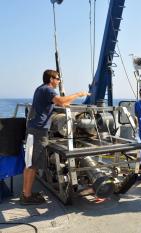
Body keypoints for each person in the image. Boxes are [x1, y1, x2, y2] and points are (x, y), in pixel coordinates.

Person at [20, 69, 90, 205]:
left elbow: (59, 103)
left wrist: (64, 103)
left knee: (32, 163)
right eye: (58, 79)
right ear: (51, 79)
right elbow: (61, 101)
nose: (59, 81)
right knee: (32, 164)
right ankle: (26, 196)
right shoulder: (47, 90)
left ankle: (26, 193)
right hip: (37, 132)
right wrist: (78, 94)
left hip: (37, 130)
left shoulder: (42, 89)